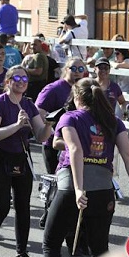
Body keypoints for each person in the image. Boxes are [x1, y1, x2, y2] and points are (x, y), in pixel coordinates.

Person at [42, 78, 129, 257]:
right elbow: (128, 156)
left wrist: (80, 189)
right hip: (104, 189)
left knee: (51, 244)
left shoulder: (70, 117)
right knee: (100, 250)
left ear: (78, 97)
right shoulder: (114, 122)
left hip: (72, 188)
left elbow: (74, 150)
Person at [0, 65, 53, 257]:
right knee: (2, 205)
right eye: (17, 78)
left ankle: (22, 252)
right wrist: (16, 126)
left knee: (23, 207)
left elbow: (40, 136)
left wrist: (48, 124)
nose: (21, 82)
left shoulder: (29, 105)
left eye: (25, 79)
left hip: (20, 158)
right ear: (8, 81)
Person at [35, 58, 88, 228]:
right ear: (66, 69)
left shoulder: (86, 89)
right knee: (58, 184)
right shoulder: (53, 89)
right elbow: (39, 113)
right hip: (55, 143)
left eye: (81, 68)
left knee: (75, 185)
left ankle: (68, 220)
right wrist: (54, 129)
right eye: (74, 68)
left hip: (79, 146)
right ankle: (49, 214)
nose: (78, 71)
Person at [22, 37, 49, 102]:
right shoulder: (39, 56)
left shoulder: (38, 56)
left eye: (35, 45)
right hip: (39, 85)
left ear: (40, 45)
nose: (32, 47)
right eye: (31, 44)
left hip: (35, 86)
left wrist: (25, 70)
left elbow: (38, 71)